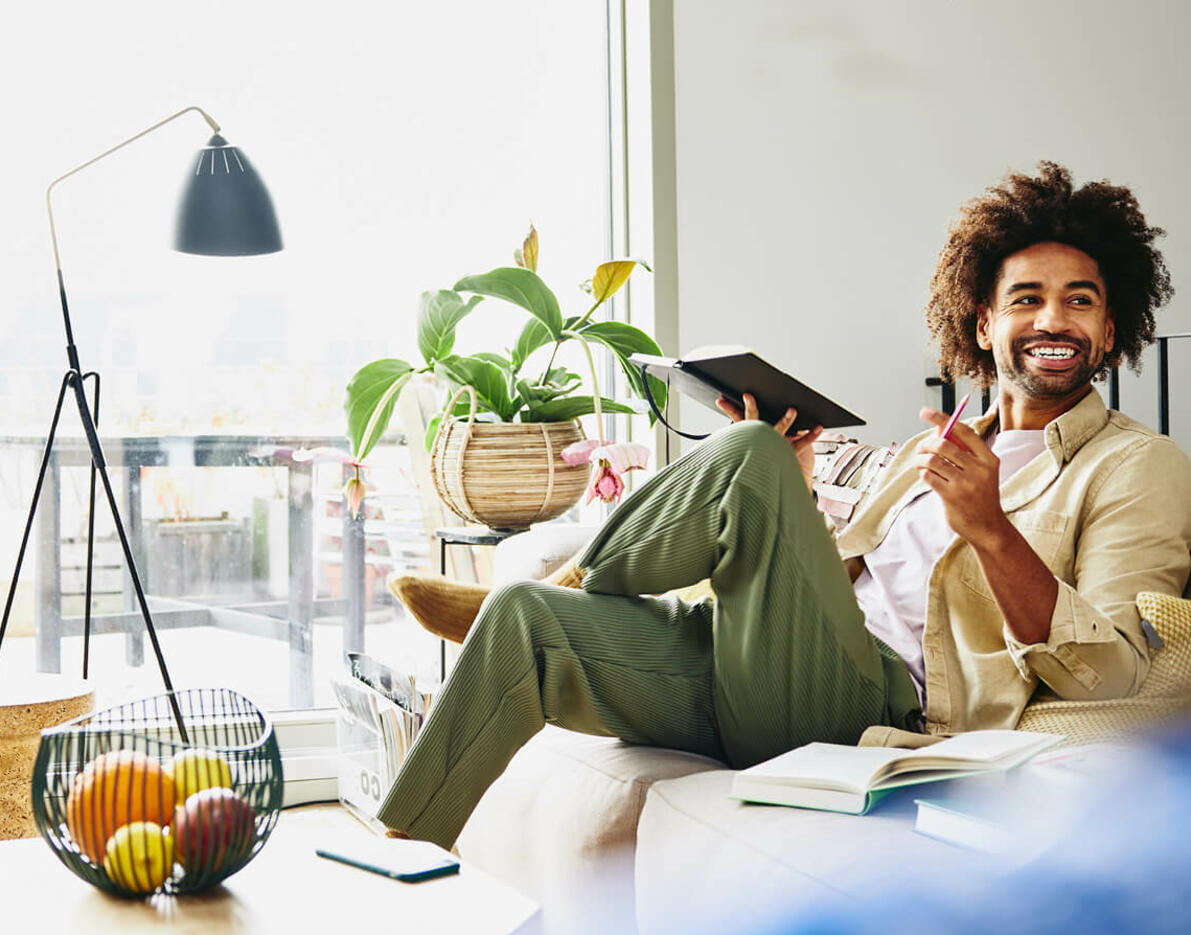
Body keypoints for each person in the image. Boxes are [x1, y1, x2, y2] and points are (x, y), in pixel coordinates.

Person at [377, 161, 1191, 849]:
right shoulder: (927, 451)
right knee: (524, 617)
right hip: (773, 670)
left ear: (1110, 323)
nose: (1053, 320)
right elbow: (825, 584)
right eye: (1026, 299)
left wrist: (988, 529)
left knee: (750, 449)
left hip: (878, 708)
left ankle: (583, 576)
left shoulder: (1136, 465)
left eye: (1079, 300)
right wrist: (789, 491)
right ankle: (402, 856)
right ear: (981, 323)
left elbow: (1113, 672)